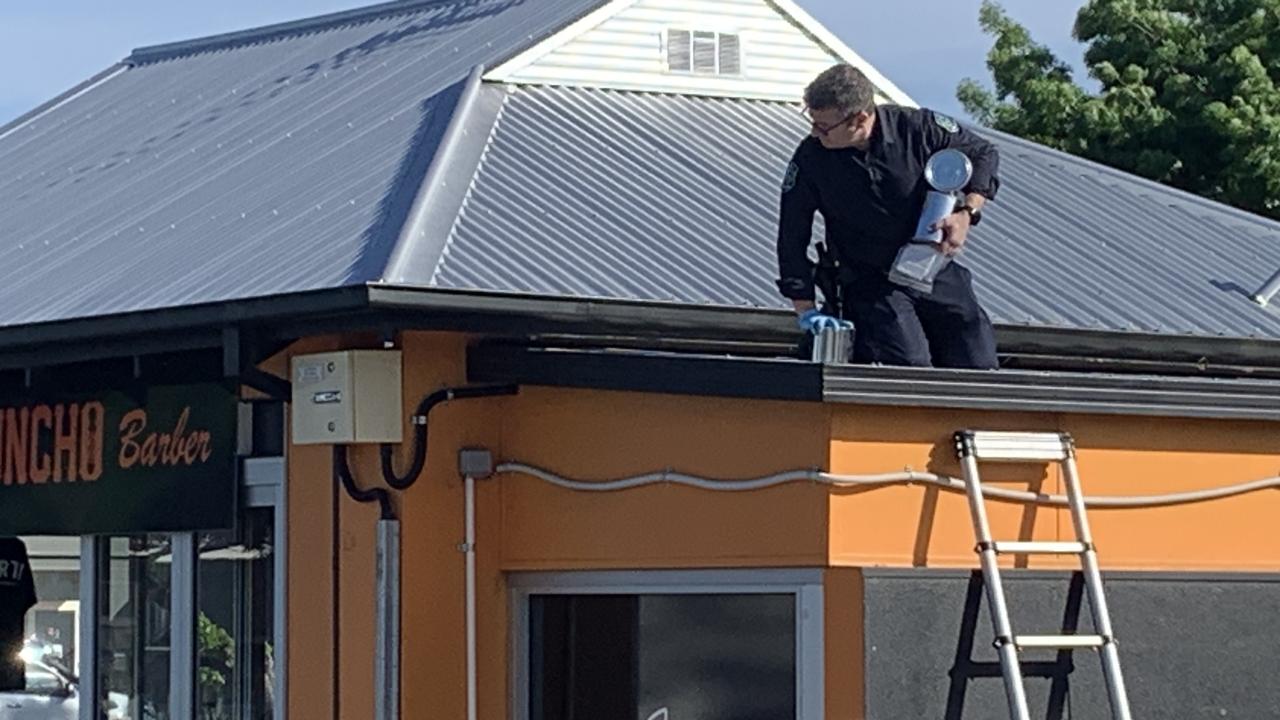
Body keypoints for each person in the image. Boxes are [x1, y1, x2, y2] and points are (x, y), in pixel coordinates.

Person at [776, 63, 1001, 369]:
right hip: (870, 281)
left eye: (824, 126)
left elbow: (983, 153)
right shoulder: (811, 159)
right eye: (812, 122)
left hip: (930, 265)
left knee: (977, 356)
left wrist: (967, 212)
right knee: (909, 362)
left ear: (860, 118)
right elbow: (792, 234)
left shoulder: (918, 128)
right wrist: (805, 309)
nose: (815, 133)